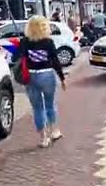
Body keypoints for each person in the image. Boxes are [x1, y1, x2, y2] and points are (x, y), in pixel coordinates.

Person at [15, 15, 67, 148]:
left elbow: (17, 58)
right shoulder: (48, 42)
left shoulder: (25, 41)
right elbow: (55, 61)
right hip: (47, 75)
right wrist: (62, 78)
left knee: (37, 108)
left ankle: (43, 138)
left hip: (30, 77)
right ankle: (54, 132)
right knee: (50, 105)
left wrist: (19, 46)